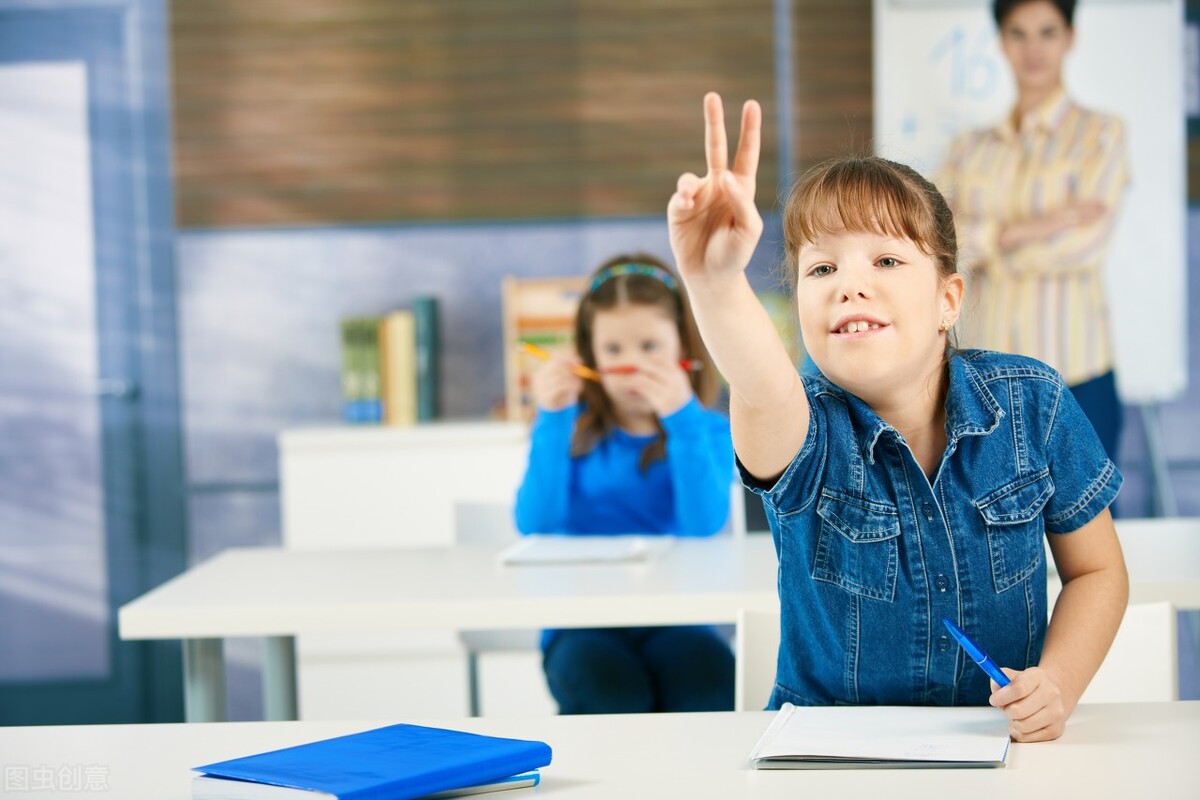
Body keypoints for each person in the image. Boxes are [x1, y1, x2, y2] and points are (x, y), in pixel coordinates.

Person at [666, 92, 1129, 742]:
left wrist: (1057, 683)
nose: (850, 283)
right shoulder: (804, 428)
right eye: (821, 268)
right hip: (827, 761)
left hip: (996, 752)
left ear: (948, 299)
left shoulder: (1034, 403)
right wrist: (714, 280)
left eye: (885, 260)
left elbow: (1098, 571)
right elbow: (760, 381)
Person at [513, 253, 736, 714]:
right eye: (613, 351)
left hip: (680, 618)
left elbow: (704, 524)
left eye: (649, 347)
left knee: (709, 687)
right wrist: (551, 419)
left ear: (682, 346)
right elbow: (535, 522)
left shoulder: (707, 429)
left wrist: (682, 420)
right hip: (581, 623)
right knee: (613, 696)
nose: (631, 365)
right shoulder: (569, 428)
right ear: (589, 355)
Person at [937, 0, 1130, 464]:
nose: (1034, 49)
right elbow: (938, 242)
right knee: (993, 530)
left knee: (1088, 530)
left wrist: (986, 245)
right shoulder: (969, 149)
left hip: (1078, 373)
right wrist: (1028, 229)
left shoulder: (1101, 134)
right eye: (1019, 34)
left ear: (1070, 37)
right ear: (1002, 42)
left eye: (1048, 32)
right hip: (988, 379)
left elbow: (1083, 247)